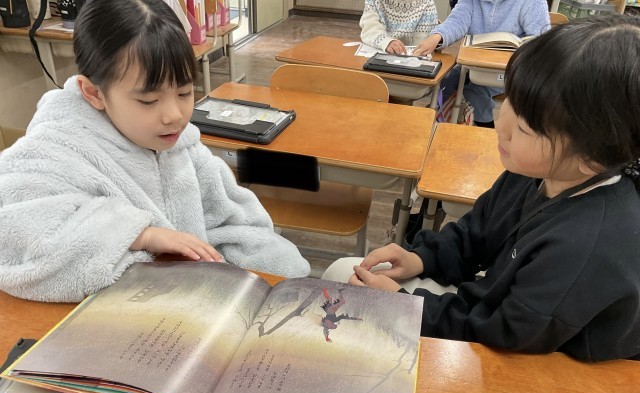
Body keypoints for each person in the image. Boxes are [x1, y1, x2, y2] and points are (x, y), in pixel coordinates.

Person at [322, 15, 640, 362]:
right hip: (496, 311)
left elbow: (502, 334)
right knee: (343, 275)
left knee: (351, 306)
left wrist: (404, 306)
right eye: (508, 102)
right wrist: (421, 258)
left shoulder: (587, 245)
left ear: (591, 157)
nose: (500, 125)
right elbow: (476, 232)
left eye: (524, 128)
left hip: (542, 364)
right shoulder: (536, 171)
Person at [0, 0, 310, 303]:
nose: (174, 115)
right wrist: (141, 234)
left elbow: (235, 224)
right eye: (148, 101)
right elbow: (14, 235)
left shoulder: (182, 147)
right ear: (94, 93)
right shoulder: (56, 148)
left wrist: (285, 282)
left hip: (193, 306)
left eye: (184, 92)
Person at [413, 0, 550, 128]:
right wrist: (437, 36)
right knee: (446, 83)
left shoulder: (533, 2)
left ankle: (486, 134)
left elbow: (541, 40)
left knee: (476, 92)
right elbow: (457, 21)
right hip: (474, 66)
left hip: (510, 70)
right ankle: (444, 128)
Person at [360, 0, 439, 54]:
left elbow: (421, 45)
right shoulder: (374, 1)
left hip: (409, 60)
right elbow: (369, 29)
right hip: (379, 52)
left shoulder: (426, 3)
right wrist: (387, 42)